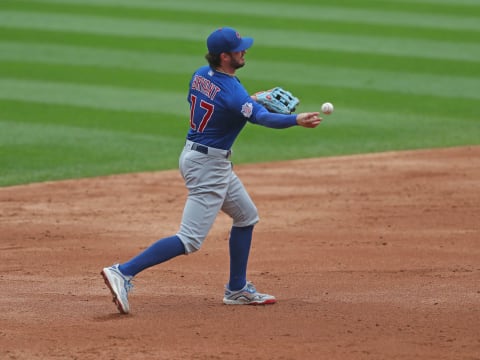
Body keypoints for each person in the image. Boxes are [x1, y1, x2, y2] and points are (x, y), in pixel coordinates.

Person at [101, 27, 321, 314]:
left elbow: (228, 105)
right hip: (208, 166)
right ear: (224, 56)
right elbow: (263, 118)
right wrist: (296, 119)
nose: (245, 51)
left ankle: (237, 289)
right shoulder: (232, 91)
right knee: (190, 238)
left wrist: (249, 100)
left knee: (246, 216)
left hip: (198, 155)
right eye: (239, 49)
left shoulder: (201, 75)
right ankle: (123, 271)